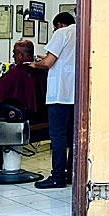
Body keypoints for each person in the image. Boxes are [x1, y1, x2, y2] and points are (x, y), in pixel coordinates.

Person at [0, 40, 47, 172]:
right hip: (37, 117)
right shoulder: (40, 70)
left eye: (14, 53)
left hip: (17, 115)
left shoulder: (17, 72)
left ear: (21, 56)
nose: (13, 57)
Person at [30, 11, 76, 189]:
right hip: (74, 93)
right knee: (73, 137)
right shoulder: (81, 33)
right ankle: (72, 174)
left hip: (59, 94)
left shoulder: (61, 33)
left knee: (57, 136)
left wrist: (36, 64)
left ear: (59, 24)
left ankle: (57, 177)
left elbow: (48, 63)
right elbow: (63, 59)